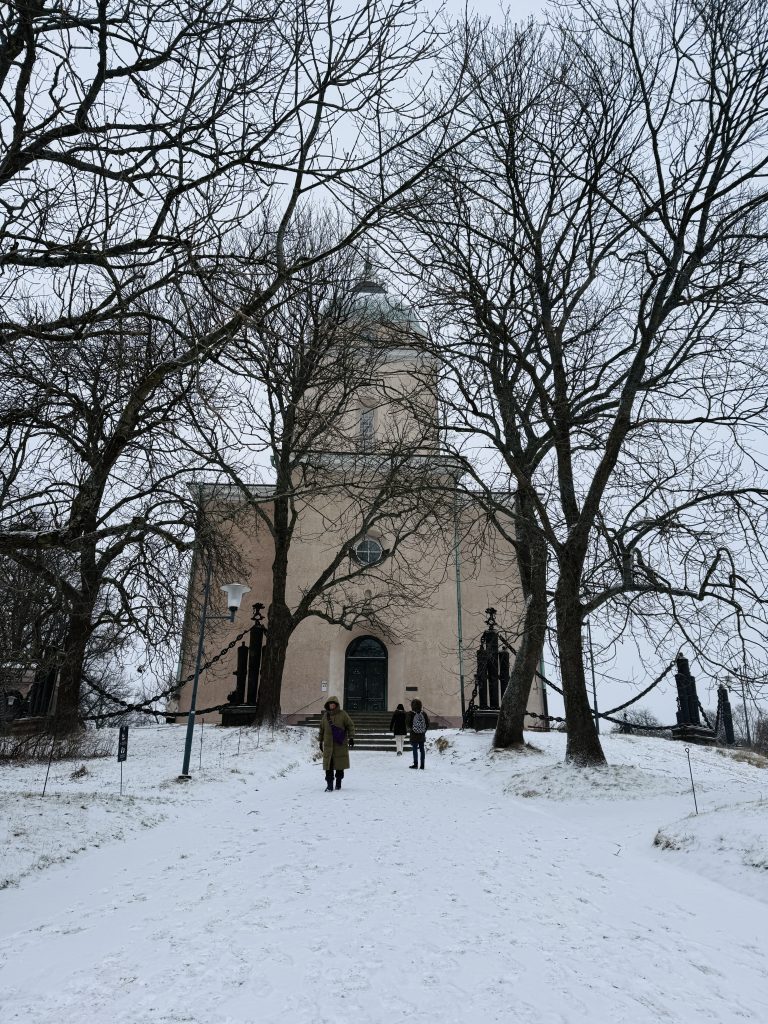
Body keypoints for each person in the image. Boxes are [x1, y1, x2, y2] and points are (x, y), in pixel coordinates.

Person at [318, 696, 355, 791]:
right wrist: (320, 741)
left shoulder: (343, 714)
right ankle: (329, 784)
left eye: (333, 704)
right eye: (330, 704)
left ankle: (338, 782)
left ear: (336, 705)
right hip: (328, 745)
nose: (332, 705)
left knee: (340, 764)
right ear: (328, 705)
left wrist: (351, 737)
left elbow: (350, 725)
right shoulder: (325, 716)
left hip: (340, 744)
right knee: (328, 766)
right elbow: (321, 729)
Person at [406, 698, 429, 769]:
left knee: (415, 748)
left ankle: (415, 764)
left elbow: (408, 723)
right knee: (422, 749)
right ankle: (422, 765)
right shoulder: (424, 714)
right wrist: (423, 730)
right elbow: (427, 723)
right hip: (422, 734)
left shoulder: (411, 714)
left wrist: (412, 728)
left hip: (414, 734)